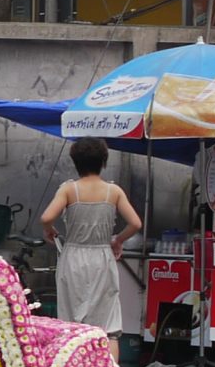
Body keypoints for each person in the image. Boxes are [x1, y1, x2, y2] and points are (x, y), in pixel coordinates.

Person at [40, 139, 140, 334]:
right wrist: (118, 240)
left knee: (71, 323)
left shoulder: (69, 189)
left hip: (73, 257)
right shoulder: (114, 191)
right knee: (108, 326)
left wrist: (49, 230)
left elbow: (46, 217)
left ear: (75, 161)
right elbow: (136, 224)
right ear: (103, 161)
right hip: (102, 257)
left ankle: (75, 363)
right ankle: (107, 365)